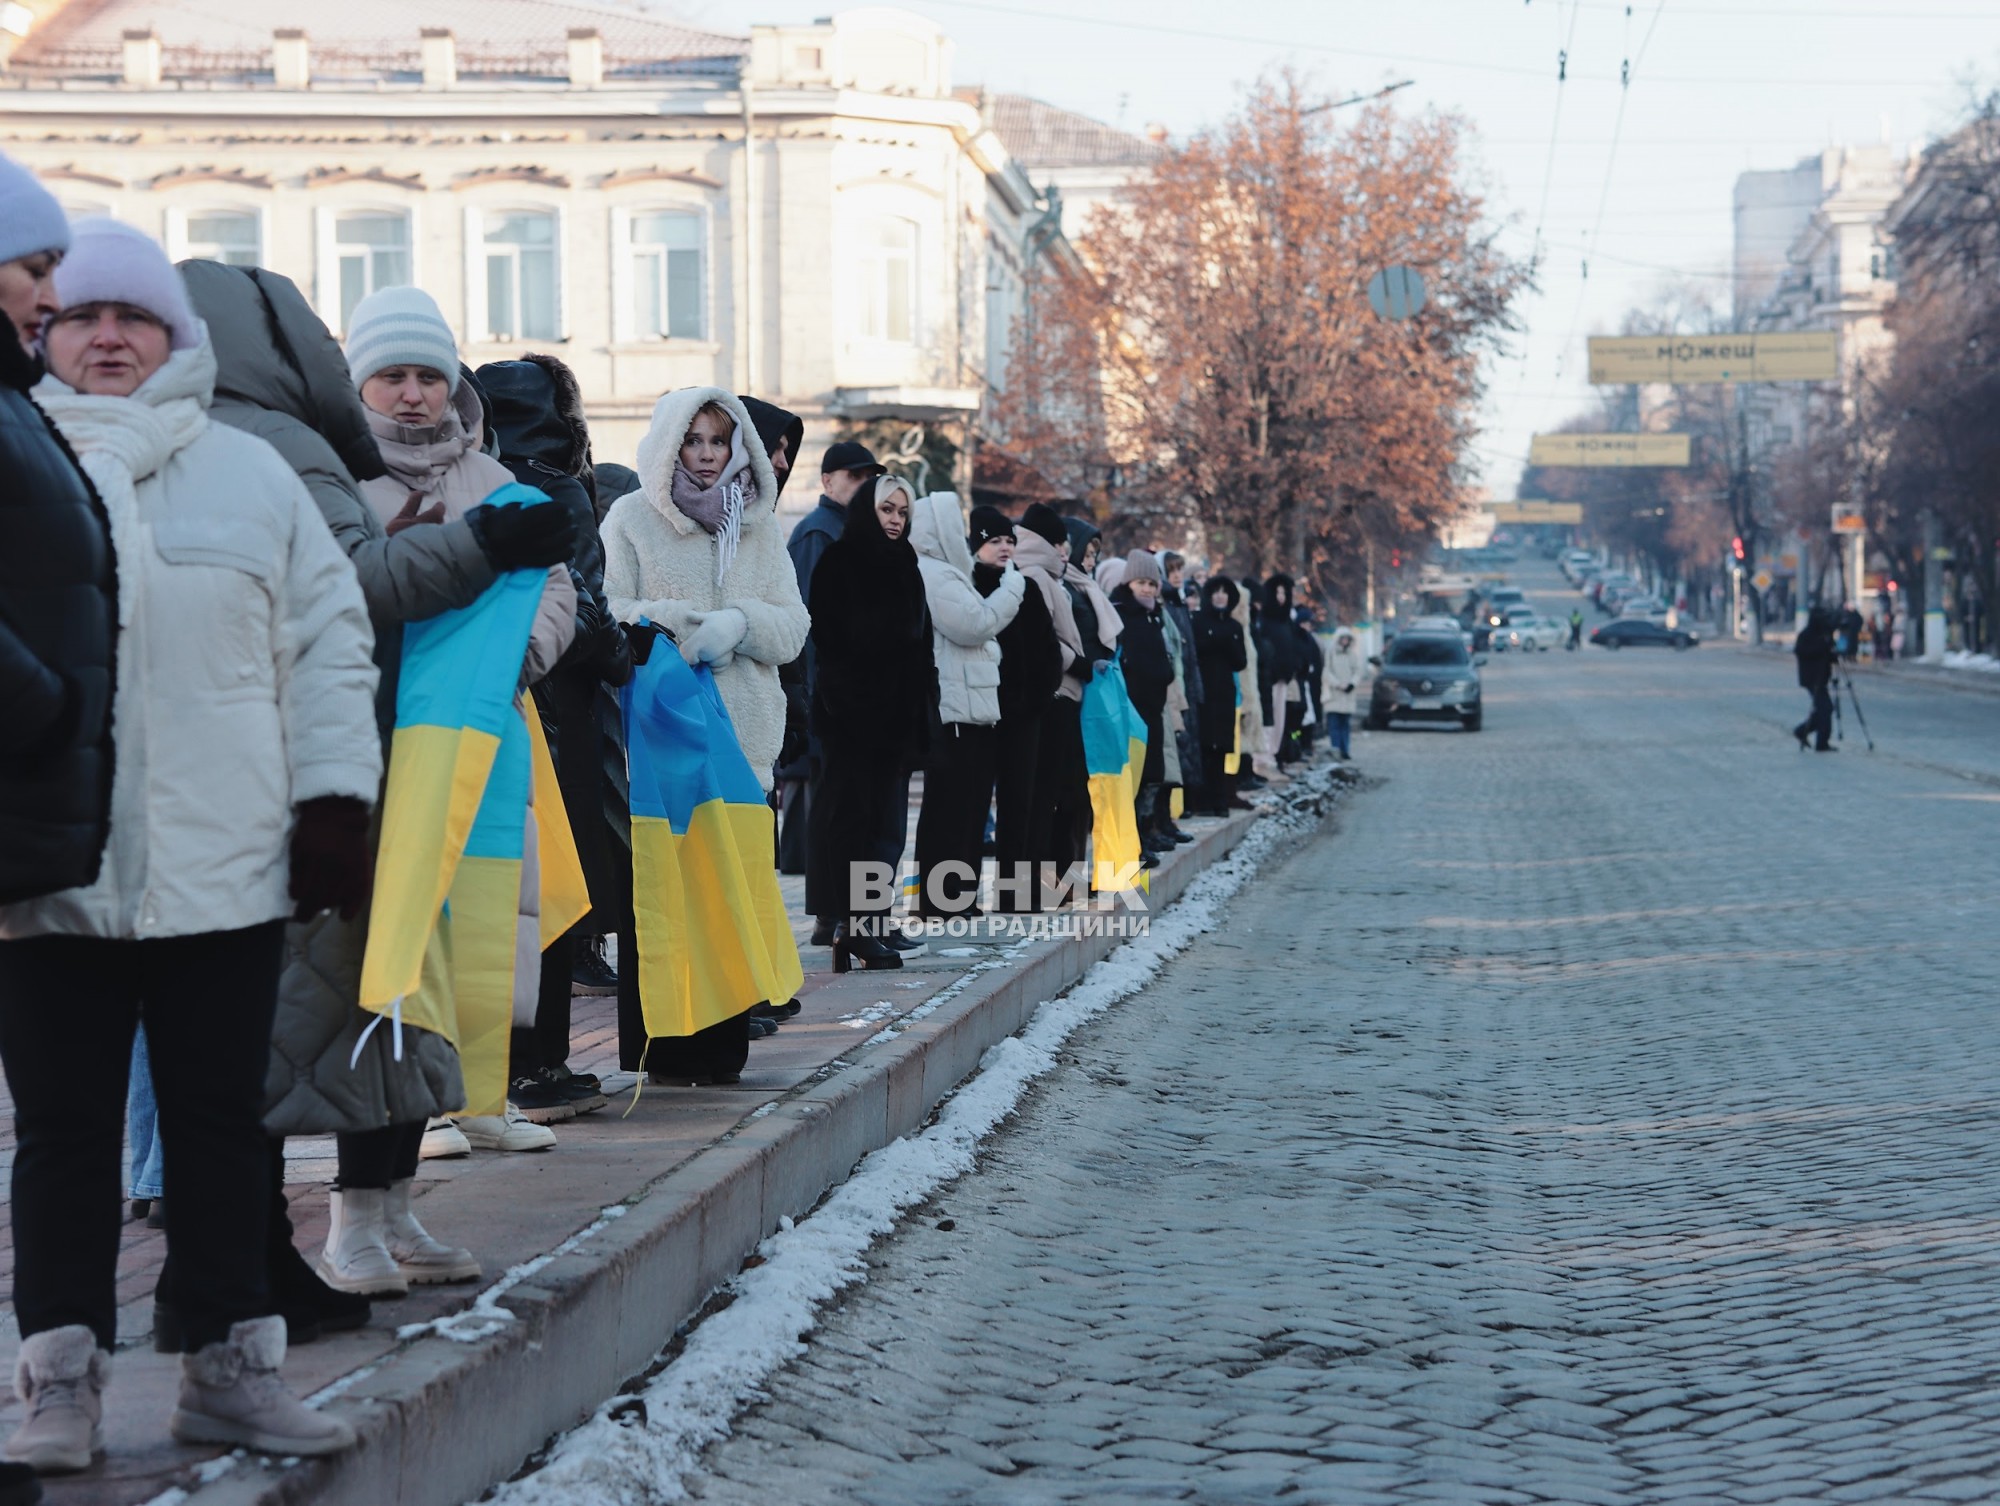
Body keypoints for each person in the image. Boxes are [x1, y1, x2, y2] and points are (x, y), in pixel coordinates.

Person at [3, 217, 380, 1466]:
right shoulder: (19, 462)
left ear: (177, 338)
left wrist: (333, 800)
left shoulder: (251, 475)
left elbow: (328, 643)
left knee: (225, 1125)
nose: (108, 338)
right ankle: (60, 1382)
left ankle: (229, 1367)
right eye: (82, 318)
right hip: (54, 878)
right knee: (62, 1136)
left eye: (135, 318)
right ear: (46, 335)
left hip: (224, 869)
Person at [346, 286, 577, 1205]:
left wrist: (525, 652)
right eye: (391, 377)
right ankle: (419, 1101)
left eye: (427, 377)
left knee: (490, 913)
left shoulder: (497, 481)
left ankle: (482, 1090)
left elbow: (557, 585)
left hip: (491, 731)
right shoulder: (340, 479)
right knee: (412, 911)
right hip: (389, 733)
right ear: (360, 385)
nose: (411, 396)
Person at [602, 387, 806, 1080]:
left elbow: (793, 626)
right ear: (670, 445)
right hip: (663, 734)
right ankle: (661, 1043)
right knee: (667, 885)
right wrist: (687, 625)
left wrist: (741, 624)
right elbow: (610, 608)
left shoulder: (759, 523)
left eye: (720, 441)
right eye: (695, 441)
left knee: (731, 890)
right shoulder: (630, 518)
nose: (708, 454)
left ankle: (723, 1045)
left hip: (744, 736)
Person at [477, 353, 632, 1114]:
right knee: (552, 888)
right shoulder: (561, 490)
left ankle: (496, 1063)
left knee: (496, 883)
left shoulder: (478, 478)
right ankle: (541, 1063)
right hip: (560, 716)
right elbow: (584, 609)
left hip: (486, 705)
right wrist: (621, 654)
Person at [807, 475, 934, 968]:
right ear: (868, 510)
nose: (895, 520)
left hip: (897, 724)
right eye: (887, 510)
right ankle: (852, 928)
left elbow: (919, 647)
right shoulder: (839, 562)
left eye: (903, 512)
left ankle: (873, 924)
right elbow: (831, 646)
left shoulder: (907, 564)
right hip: (854, 724)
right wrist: (851, 709)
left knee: (885, 830)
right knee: (854, 827)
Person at [786, 441, 886, 928]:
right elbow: (807, 624)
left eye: (871, 478)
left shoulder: (859, 534)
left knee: (859, 811)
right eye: (855, 476)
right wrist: (816, 698)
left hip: (862, 698)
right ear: (828, 481)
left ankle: (859, 915)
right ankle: (834, 916)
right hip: (832, 698)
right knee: (834, 809)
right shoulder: (817, 534)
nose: (864, 485)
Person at [910, 492, 1023, 918]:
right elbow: (977, 625)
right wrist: (1013, 588)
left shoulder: (948, 572)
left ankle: (957, 897)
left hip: (970, 709)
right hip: (956, 712)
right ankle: (942, 901)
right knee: (951, 810)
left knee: (969, 808)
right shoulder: (936, 574)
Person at [975, 508, 1062, 911]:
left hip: (1024, 716)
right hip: (980, 716)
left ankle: (1016, 896)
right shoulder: (969, 585)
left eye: (1010, 540)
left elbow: (1048, 651)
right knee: (974, 807)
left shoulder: (1025, 587)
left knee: (1019, 804)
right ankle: (958, 895)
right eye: (995, 541)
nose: (1005, 547)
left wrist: (1038, 697)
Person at [1011, 503, 1088, 908]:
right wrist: (1079, 662)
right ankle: (1042, 887)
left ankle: (1057, 885)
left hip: (1060, 692)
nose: (1065, 552)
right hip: (1053, 694)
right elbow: (1044, 638)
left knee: (1059, 796)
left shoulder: (1046, 575)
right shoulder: (1035, 576)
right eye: (1059, 543)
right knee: (1047, 797)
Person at [1111, 551, 1174, 862]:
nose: (1147, 589)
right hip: (1132, 708)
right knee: (1133, 777)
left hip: (1153, 706)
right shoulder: (1122, 614)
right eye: (1141, 582)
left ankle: (1146, 832)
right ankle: (1131, 841)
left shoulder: (1154, 615)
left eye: (1152, 583)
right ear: (1129, 582)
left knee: (1152, 774)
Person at [1190, 576, 1250, 815]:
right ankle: (1204, 801)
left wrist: (1224, 642)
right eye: (1216, 591)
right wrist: (1219, 641)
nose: (1220, 596)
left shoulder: (1234, 626)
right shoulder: (1199, 620)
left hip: (1225, 693)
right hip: (1204, 692)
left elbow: (1240, 662)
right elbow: (1198, 649)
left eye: (1225, 592)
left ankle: (1220, 799)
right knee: (1206, 747)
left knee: (1222, 748)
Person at [1158, 551, 1205, 829]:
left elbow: (1190, 653)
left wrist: (1196, 690)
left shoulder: (1179, 602)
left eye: (1179, 570)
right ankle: (1167, 815)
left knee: (1183, 749)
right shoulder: (1165, 604)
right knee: (1173, 751)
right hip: (1171, 689)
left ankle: (1176, 809)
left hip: (1184, 688)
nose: (1177, 575)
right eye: (1171, 570)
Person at [1793, 606, 1837, 753]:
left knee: (1824, 709)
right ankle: (1820, 742)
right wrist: (1823, 647)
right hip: (1812, 678)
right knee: (1826, 708)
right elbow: (1801, 652)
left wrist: (1831, 651)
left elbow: (1829, 656)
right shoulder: (1807, 635)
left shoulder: (1823, 635)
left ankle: (1803, 732)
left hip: (1822, 677)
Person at [1321, 626, 1364, 761]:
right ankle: (1336, 750)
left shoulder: (1352, 654)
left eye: (1347, 638)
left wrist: (1351, 684)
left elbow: (1358, 671)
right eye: (1343, 638)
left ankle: (1345, 750)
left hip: (1347, 695)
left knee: (1345, 725)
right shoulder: (1331, 652)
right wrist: (1337, 684)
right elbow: (1327, 671)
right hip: (1334, 694)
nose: (1345, 641)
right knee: (1334, 725)